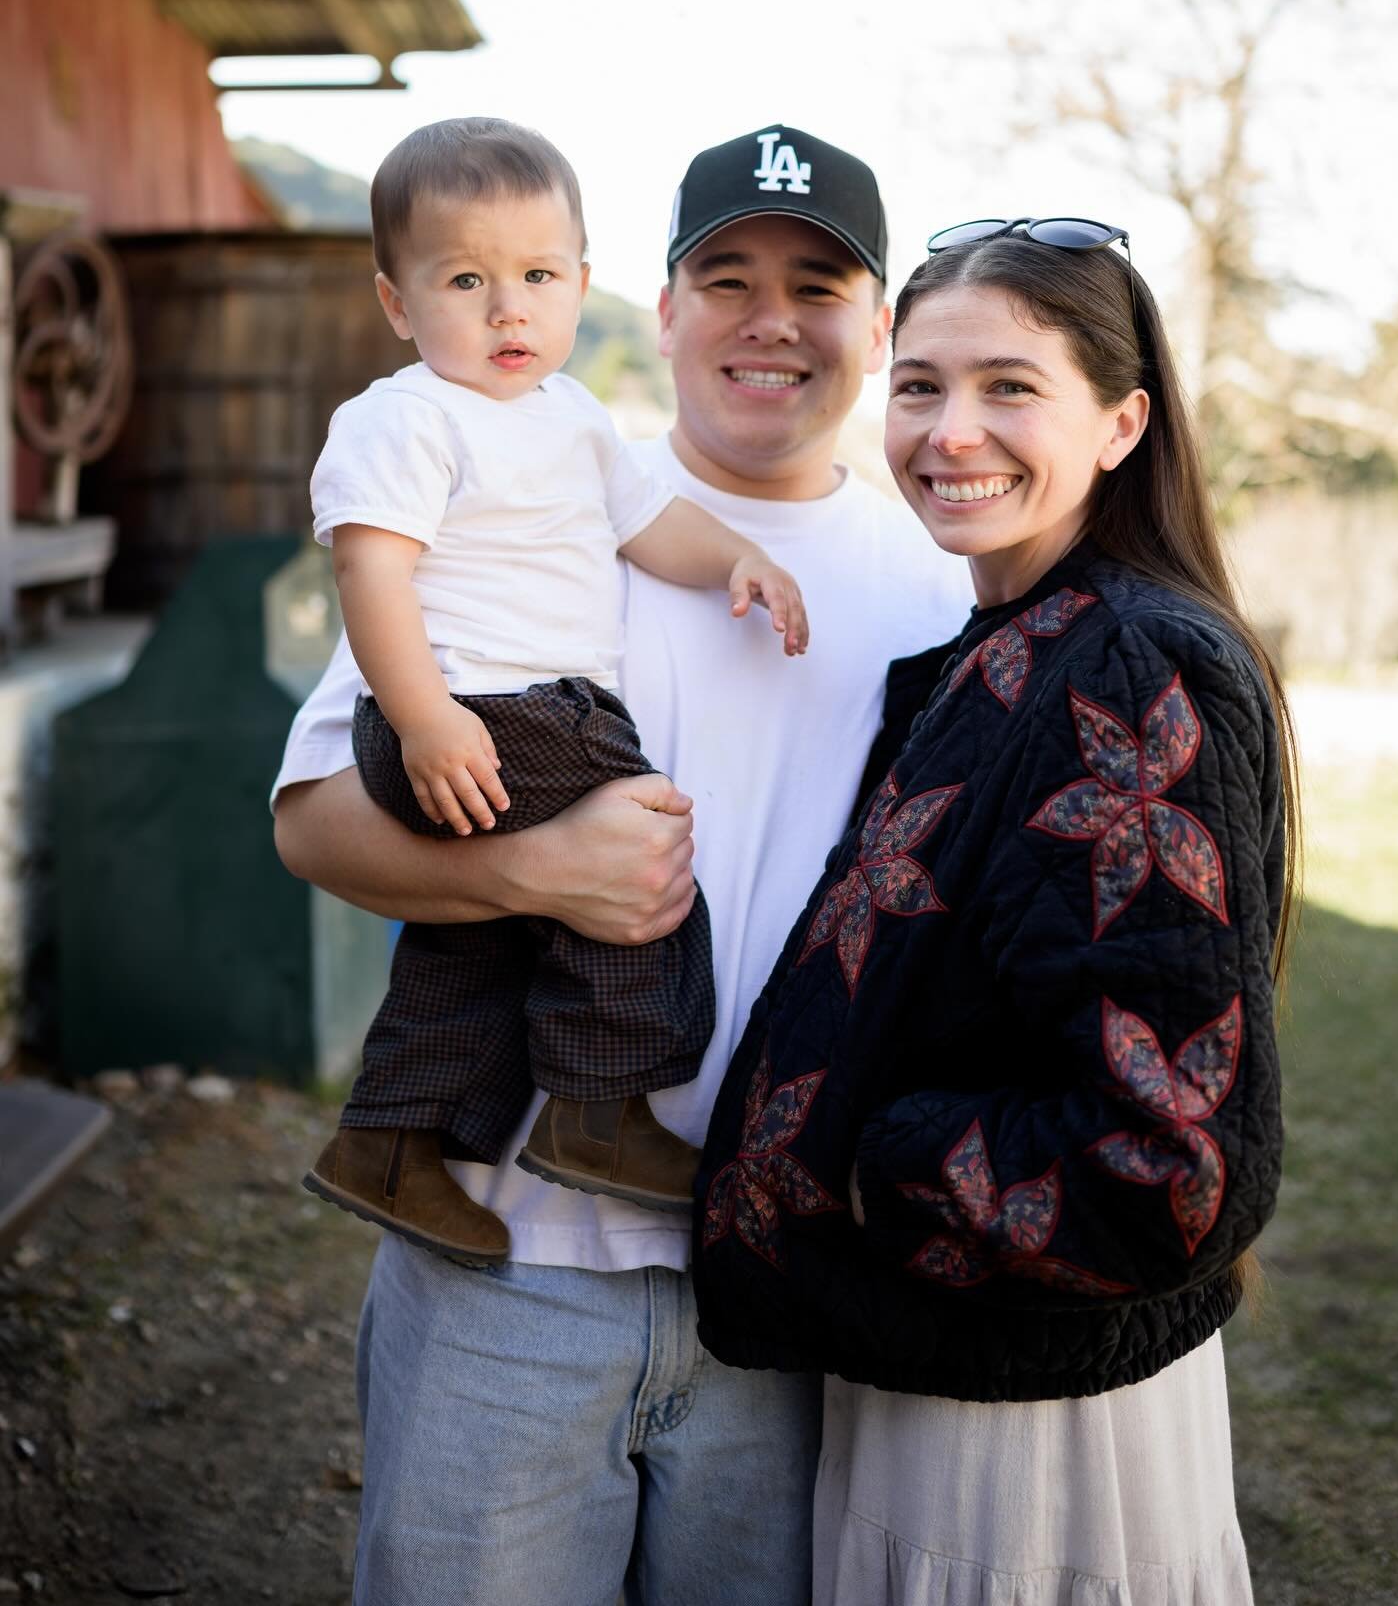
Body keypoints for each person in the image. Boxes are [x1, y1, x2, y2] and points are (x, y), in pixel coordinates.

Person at [272, 125, 976, 1605]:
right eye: (727, 280)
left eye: (818, 286)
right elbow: (312, 821)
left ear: (878, 329)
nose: (770, 320)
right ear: (657, 310)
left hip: (775, 1289)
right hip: (508, 1283)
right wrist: (538, 874)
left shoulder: (938, 591)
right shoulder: (518, 494)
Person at [694, 219, 1298, 1604]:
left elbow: (1167, 1162)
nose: (950, 431)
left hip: (1029, 1441)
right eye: (919, 385)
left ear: (1121, 423)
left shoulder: (1124, 667)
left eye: (1010, 387)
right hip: (944, 1357)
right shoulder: (1010, 648)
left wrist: (866, 1166)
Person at [302, 117, 810, 1266]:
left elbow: (652, 522)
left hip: (503, 717)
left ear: (583, 283)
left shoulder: (574, 417)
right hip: (482, 709)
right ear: (396, 303)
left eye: (537, 277)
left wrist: (736, 556)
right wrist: (425, 718)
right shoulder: (406, 417)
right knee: (642, 856)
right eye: (465, 281)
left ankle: (390, 1141)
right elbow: (369, 572)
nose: (507, 311)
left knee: (476, 941)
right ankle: (598, 1110)